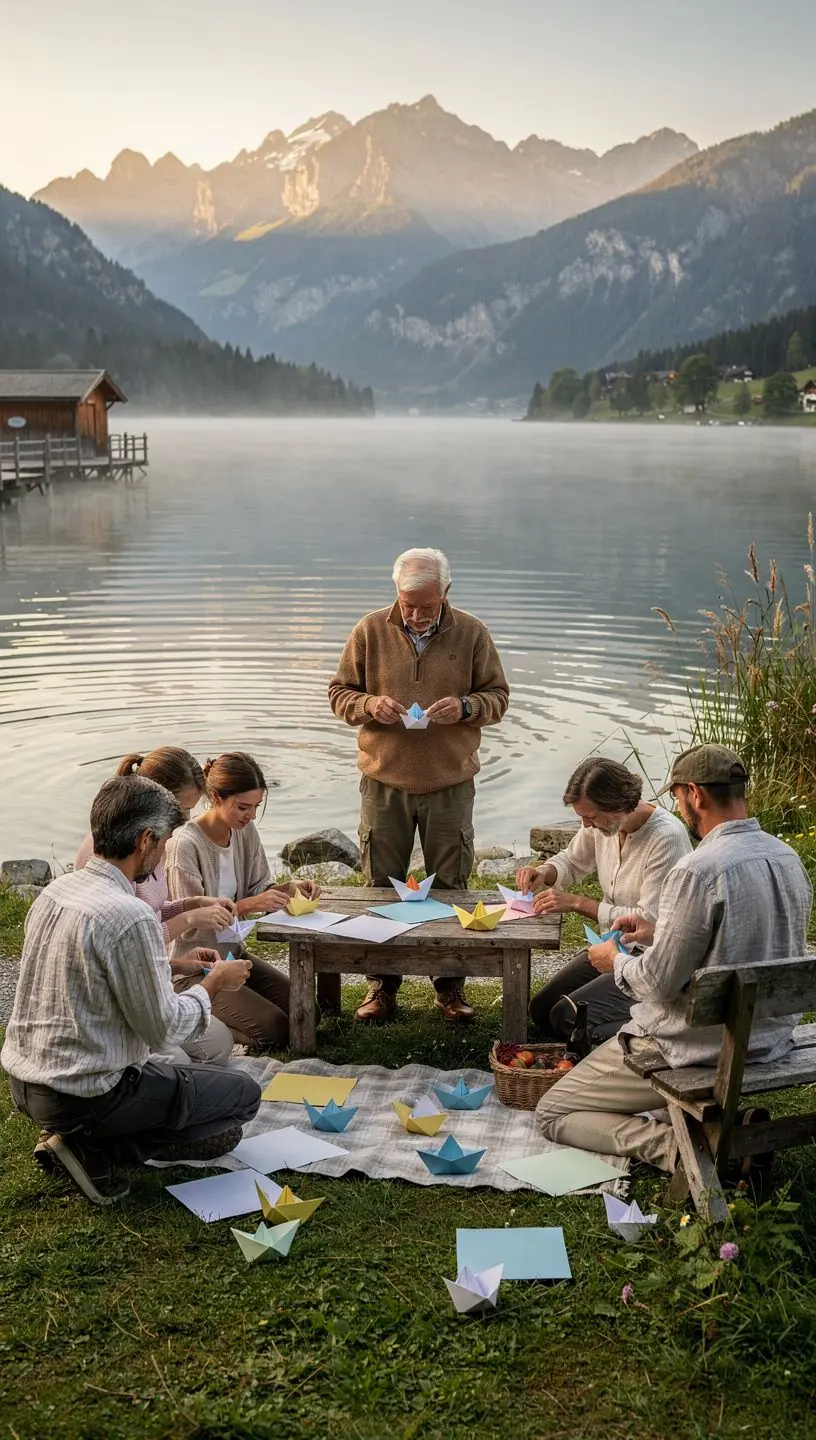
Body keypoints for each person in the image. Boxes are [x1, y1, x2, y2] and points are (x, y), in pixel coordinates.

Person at [535, 744, 812, 1173]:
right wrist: (657, 932)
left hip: (693, 1047)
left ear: (696, 795)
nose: (679, 806)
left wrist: (615, 961)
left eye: (680, 796)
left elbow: (657, 984)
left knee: (552, 1112)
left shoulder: (697, 870)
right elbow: (736, 943)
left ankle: (690, 1151)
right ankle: (720, 1129)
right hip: (766, 1039)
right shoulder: (789, 858)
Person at [1, 775, 260, 1205]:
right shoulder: (130, 915)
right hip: (89, 1094)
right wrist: (213, 984)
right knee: (241, 1101)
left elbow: (93, 980)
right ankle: (96, 1148)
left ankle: (78, 1138)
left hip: (25, 1085)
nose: (164, 852)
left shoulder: (56, 891)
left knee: (206, 1091)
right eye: (164, 841)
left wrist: (171, 963)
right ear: (145, 840)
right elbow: (165, 1031)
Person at [329, 546, 510, 1024]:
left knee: (451, 887)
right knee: (380, 887)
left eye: (425, 606)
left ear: (446, 593)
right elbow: (339, 694)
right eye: (407, 604)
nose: (414, 614)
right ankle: (381, 989)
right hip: (382, 781)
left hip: (450, 781)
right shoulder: (370, 630)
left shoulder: (472, 633)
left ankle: (449, 989)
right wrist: (369, 707)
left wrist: (466, 708)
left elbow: (498, 697)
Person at [75, 747, 237, 1065]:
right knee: (178, 1060)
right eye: (179, 811)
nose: (183, 823)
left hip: (147, 979)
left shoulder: (155, 846)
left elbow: (150, 910)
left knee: (219, 1044)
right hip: (119, 1002)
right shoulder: (117, 854)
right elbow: (133, 929)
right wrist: (191, 919)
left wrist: (190, 904)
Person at [517, 757, 691, 1042]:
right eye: (582, 817)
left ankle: (656, 1028)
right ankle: (584, 1039)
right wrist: (544, 872)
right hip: (612, 946)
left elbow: (645, 922)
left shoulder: (665, 838)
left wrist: (577, 903)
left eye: (591, 816)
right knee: (540, 1009)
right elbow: (572, 861)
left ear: (619, 805)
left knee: (566, 1018)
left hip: (648, 958)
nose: (585, 824)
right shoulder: (602, 826)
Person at [166, 751, 319, 1049]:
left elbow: (260, 885)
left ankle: (219, 1016)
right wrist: (250, 905)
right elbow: (189, 927)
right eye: (242, 807)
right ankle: (188, 1028)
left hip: (233, 956)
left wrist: (290, 888)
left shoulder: (244, 831)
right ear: (215, 797)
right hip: (195, 968)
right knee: (276, 1031)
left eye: (256, 807)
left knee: (306, 1011)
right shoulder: (184, 846)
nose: (249, 816)